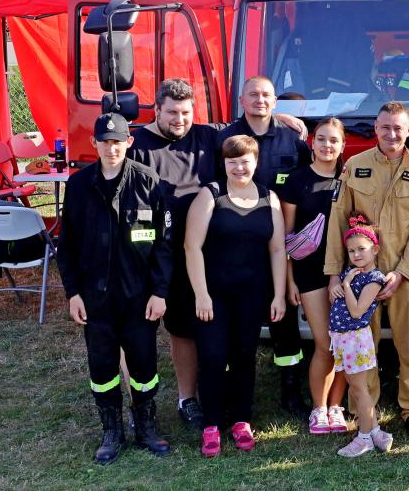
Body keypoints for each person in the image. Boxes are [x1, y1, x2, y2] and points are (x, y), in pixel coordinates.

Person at [130, 78, 305, 429]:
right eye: (171, 113)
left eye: (185, 112)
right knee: (173, 328)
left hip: (209, 253)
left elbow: (247, 125)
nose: (179, 119)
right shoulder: (138, 145)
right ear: (157, 110)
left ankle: (208, 397)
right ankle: (179, 400)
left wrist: (280, 116)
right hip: (161, 250)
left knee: (204, 327)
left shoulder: (207, 135)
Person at [58, 113, 172, 464]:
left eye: (117, 142)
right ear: (94, 143)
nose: (111, 148)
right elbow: (67, 246)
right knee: (102, 366)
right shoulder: (79, 186)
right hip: (95, 297)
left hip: (138, 296)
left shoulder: (148, 182)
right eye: (105, 142)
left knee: (143, 363)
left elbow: (164, 244)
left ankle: (146, 427)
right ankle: (112, 431)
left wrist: (159, 292)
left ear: (129, 142)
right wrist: (73, 293)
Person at [325, 102, 409, 440]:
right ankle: (365, 410)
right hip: (361, 278)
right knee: (363, 345)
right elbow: (337, 221)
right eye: (385, 127)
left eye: (398, 128)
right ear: (376, 128)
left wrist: (403, 272)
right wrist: (334, 275)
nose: (392, 134)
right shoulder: (355, 167)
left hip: (403, 276)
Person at [184, 135, 288, 457]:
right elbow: (192, 247)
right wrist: (201, 294)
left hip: (252, 294)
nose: (239, 167)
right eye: (232, 161)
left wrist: (279, 294)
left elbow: (278, 249)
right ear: (224, 163)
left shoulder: (269, 198)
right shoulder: (211, 194)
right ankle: (212, 424)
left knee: (244, 355)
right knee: (213, 356)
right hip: (213, 295)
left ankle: (242, 420)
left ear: (256, 162)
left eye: (245, 161)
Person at [217, 75, 312, 418]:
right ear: (241, 100)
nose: (260, 100)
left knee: (284, 323)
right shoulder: (223, 138)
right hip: (235, 246)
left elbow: (307, 184)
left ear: (275, 101)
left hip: (278, 246)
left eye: (266, 95)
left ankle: (291, 392)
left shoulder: (293, 140)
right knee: (234, 324)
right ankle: (234, 396)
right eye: (253, 95)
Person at [278, 117, 349, 434]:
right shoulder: (297, 181)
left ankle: (336, 407)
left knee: (345, 345)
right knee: (324, 344)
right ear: (312, 142)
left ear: (343, 145)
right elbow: (287, 237)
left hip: (346, 273)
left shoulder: (349, 179)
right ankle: (319, 409)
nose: (327, 145)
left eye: (333, 140)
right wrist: (289, 280)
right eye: (321, 139)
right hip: (309, 273)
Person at [329, 216, 394, 457]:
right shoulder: (353, 272)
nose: (356, 254)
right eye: (351, 251)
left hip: (355, 339)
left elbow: (357, 311)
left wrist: (346, 285)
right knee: (357, 388)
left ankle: (364, 437)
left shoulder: (374, 278)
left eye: (361, 249)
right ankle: (376, 432)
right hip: (343, 338)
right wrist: (339, 285)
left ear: (375, 250)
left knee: (360, 390)